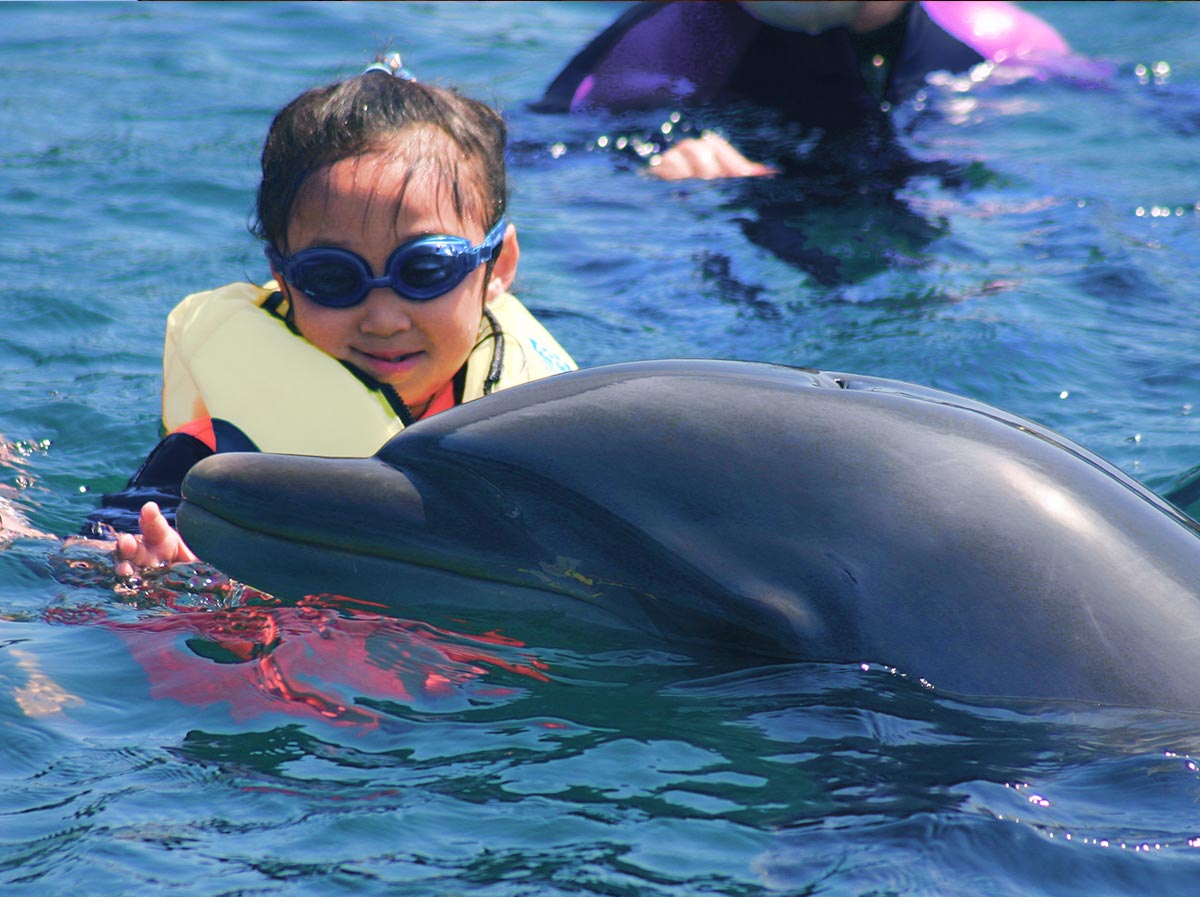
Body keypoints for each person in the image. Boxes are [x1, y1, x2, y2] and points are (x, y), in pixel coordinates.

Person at [84, 54, 577, 575]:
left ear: (498, 266)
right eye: (332, 278)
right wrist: (158, 565)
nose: (383, 319)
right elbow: (90, 552)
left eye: (426, 268)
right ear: (284, 277)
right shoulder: (222, 450)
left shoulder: (543, 423)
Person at [534, 0, 1073, 180]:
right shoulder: (667, 37)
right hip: (731, 217)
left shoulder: (995, 40)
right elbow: (539, 157)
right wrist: (646, 170)